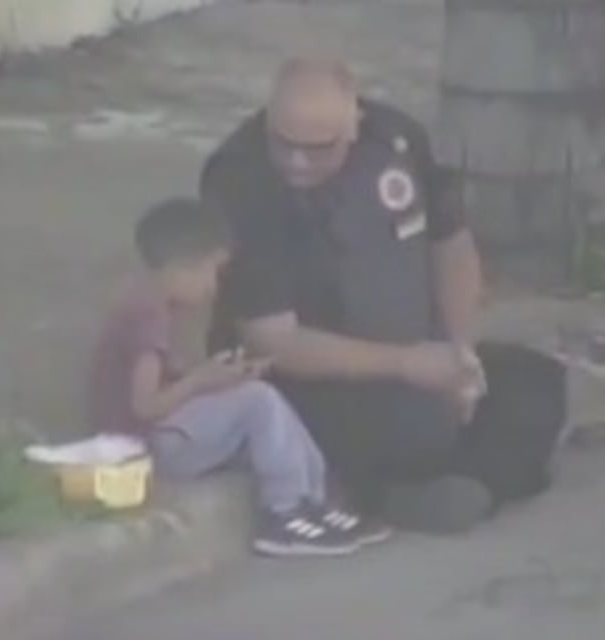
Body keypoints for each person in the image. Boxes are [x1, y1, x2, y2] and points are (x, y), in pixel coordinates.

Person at [200, 57, 567, 535]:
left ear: (355, 122)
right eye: (284, 143)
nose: (296, 161)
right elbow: (273, 341)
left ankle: (460, 484)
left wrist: (460, 355)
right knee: (401, 432)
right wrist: (405, 364)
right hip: (320, 378)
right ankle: (404, 490)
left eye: (318, 148)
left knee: (534, 383)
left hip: (415, 354)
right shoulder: (241, 177)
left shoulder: (397, 140)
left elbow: (451, 245)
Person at [87, 197, 392, 556]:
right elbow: (145, 406)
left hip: (163, 438)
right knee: (258, 401)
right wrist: (201, 381)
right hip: (145, 449)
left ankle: (315, 501)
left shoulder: (154, 308)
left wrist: (220, 378)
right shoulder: (147, 316)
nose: (214, 287)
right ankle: (285, 512)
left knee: (255, 395)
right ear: (182, 266)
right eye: (212, 272)